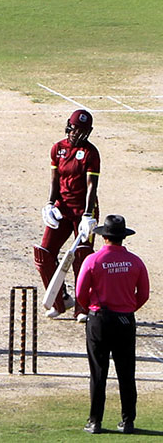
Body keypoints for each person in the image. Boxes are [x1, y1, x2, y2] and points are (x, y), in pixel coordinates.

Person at [76, 215, 149, 434]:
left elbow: (80, 293)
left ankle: (95, 421)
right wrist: (128, 308)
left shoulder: (93, 260)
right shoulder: (135, 262)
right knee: (126, 372)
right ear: (122, 238)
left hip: (99, 319)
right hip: (125, 319)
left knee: (98, 371)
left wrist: (92, 307)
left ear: (104, 237)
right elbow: (143, 294)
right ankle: (128, 421)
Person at [34, 109, 100, 321]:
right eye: (72, 127)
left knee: (82, 257)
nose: (74, 133)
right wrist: (50, 204)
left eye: (80, 130)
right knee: (44, 254)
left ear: (87, 132)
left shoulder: (91, 153)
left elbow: (92, 187)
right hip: (62, 209)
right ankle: (60, 299)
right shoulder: (58, 149)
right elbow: (54, 181)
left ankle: (83, 307)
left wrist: (88, 216)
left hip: (83, 211)